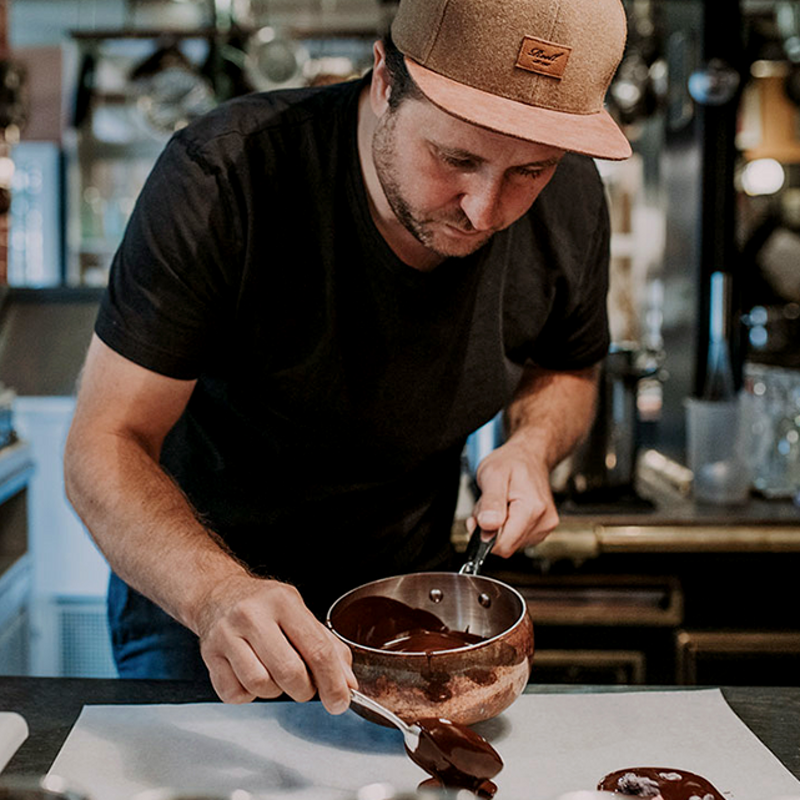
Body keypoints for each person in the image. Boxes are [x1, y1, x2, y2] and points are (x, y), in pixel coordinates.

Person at [64, 0, 632, 715]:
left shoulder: (572, 200)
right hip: (206, 604)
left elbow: (567, 365)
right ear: (384, 80)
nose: (485, 211)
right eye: (457, 159)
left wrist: (532, 445)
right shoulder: (223, 178)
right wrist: (215, 592)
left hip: (408, 610)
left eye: (530, 171)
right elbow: (103, 444)